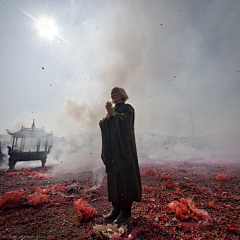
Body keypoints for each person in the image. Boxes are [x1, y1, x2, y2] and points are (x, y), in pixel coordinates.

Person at [99, 87, 142, 225]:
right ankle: (116, 208)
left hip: (124, 151)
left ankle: (125, 210)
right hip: (113, 151)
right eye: (111, 93)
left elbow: (126, 124)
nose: (113, 95)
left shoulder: (127, 108)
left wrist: (114, 114)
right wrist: (108, 117)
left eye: (116, 92)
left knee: (125, 177)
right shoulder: (113, 110)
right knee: (114, 179)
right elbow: (104, 124)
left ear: (123, 95)